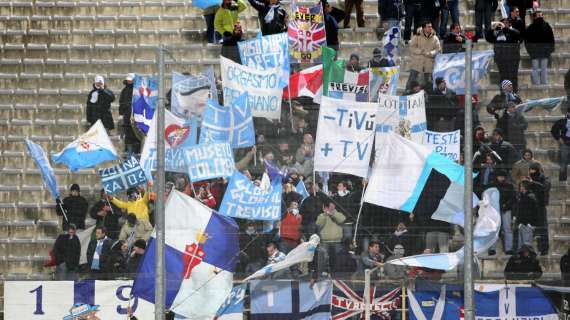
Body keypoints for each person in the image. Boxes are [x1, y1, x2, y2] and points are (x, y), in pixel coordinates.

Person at [486, 19, 522, 92]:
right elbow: (489, 38)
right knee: (503, 77)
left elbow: (518, 35)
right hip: (501, 59)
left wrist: (505, 28)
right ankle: (504, 93)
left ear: (509, 24)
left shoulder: (513, 31)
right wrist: (492, 28)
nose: (503, 24)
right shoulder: (498, 33)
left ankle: (514, 92)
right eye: (502, 23)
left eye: (506, 23)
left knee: (513, 77)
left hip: (513, 59)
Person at [406, 21, 441, 92]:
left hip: (429, 63)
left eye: (431, 26)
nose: (431, 28)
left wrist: (431, 53)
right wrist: (420, 51)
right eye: (429, 27)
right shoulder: (417, 36)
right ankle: (407, 92)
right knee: (412, 79)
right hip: (417, 62)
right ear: (424, 28)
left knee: (428, 82)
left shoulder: (435, 38)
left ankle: (429, 96)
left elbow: (438, 49)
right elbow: (412, 47)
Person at [488, 170, 515, 255]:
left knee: (507, 229)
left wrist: (506, 205)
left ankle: (508, 248)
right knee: (494, 229)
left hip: (506, 210)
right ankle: (492, 248)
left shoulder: (509, 186)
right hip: (494, 210)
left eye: (503, 177)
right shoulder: (492, 186)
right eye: (500, 176)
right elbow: (487, 197)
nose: (501, 178)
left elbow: (513, 198)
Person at [525, 11, 555, 85]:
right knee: (535, 68)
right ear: (534, 17)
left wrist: (551, 48)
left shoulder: (547, 26)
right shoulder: (530, 28)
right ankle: (536, 83)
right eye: (539, 15)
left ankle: (544, 83)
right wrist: (530, 50)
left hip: (545, 51)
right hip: (534, 51)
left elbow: (551, 38)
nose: (541, 17)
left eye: (541, 15)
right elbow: (527, 41)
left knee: (544, 68)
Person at [527, 162, 551, 255]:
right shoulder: (530, 180)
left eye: (533, 170)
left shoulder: (545, 179)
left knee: (543, 228)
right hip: (531, 207)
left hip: (540, 207)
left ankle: (544, 248)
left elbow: (544, 187)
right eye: (530, 170)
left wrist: (533, 183)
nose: (531, 172)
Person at [316, 200, 346, 269]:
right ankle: (323, 272)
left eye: (332, 206)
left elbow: (341, 220)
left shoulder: (339, 214)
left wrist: (332, 214)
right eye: (329, 206)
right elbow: (318, 224)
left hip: (337, 242)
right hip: (325, 242)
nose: (331, 207)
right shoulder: (321, 215)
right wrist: (325, 214)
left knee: (337, 259)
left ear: (334, 206)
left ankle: (337, 272)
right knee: (324, 259)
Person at [118, 73, 141, 155]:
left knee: (136, 134)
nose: (129, 81)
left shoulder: (138, 90)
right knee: (128, 133)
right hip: (127, 116)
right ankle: (128, 151)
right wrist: (121, 114)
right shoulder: (124, 91)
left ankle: (137, 151)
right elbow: (121, 103)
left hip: (137, 116)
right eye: (128, 80)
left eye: (130, 80)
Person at [514, 180, 538, 249]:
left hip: (528, 224)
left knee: (527, 246)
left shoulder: (531, 197)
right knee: (520, 246)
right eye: (520, 186)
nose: (521, 188)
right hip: (521, 224)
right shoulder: (520, 197)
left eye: (522, 186)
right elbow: (519, 210)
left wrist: (532, 224)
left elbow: (535, 211)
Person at [550, 110, 570, 181]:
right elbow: (553, 130)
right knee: (563, 163)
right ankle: (562, 181)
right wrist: (558, 138)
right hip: (565, 144)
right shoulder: (562, 121)